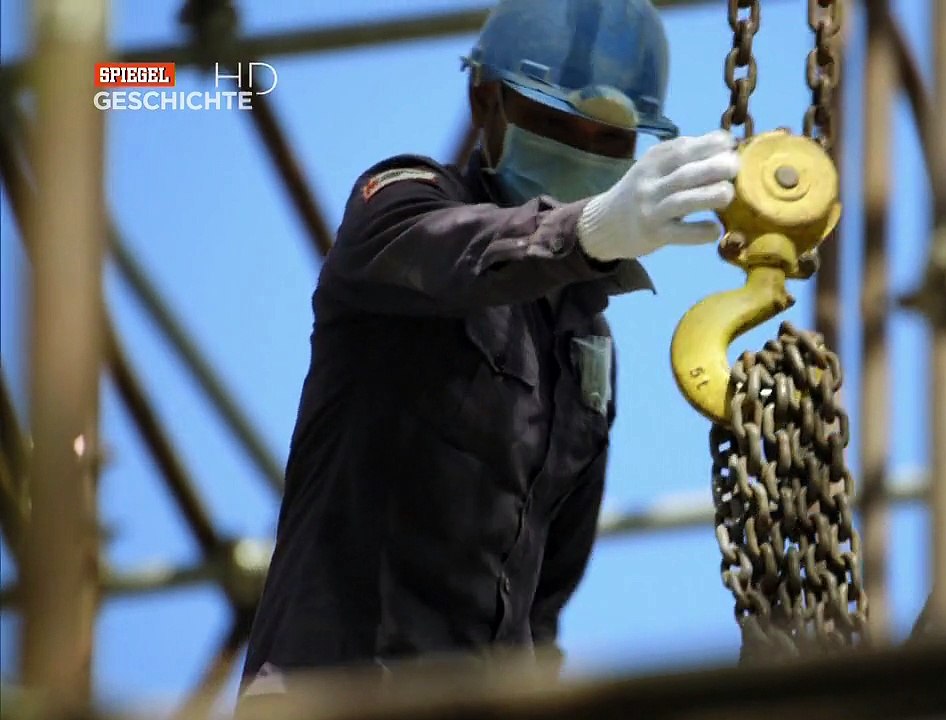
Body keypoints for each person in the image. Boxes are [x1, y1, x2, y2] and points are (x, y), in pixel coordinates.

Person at [237, 0, 741, 701]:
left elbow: (542, 602)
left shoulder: (586, 347)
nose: (579, 148)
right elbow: (457, 252)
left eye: (604, 138)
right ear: (486, 100)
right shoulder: (401, 208)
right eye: (553, 120)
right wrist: (587, 231)